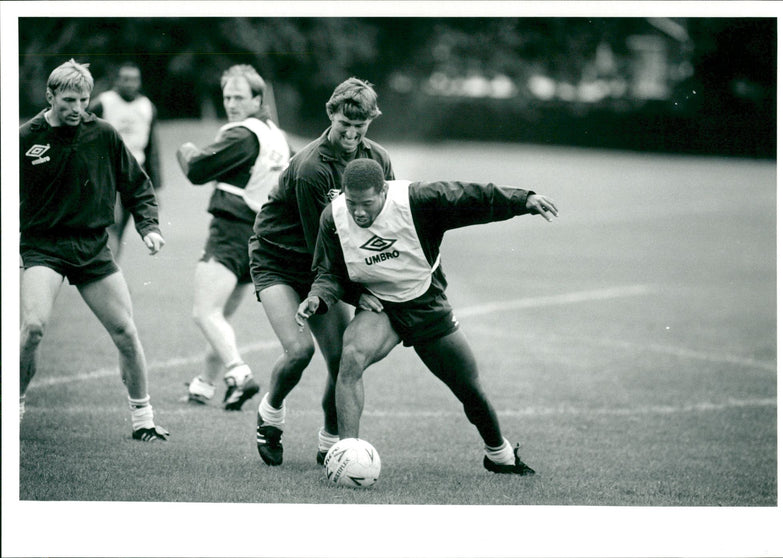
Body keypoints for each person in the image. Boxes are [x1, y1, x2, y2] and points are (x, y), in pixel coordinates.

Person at [296, 158, 560, 474]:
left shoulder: (417, 201)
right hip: (381, 308)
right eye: (352, 203)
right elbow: (329, 272)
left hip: (425, 303)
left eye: (366, 203)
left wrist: (523, 200)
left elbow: (470, 197)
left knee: (469, 388)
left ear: (383, 191)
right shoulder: (334, 216)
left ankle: (499, 454)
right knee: (349, 358)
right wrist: (318, 297)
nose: (358, 212)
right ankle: (346, 457)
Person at [19, 59, 168, 441]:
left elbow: (137, 185)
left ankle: (143, 420)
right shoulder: (25, 138)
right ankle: (15, 406)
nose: (77, 108)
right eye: (69, 100)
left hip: (92, 247)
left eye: (83, 100)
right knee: (33, 328)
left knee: (125, 331)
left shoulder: (102, 133)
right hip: (43, 246)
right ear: (49, 96)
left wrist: (148, 227)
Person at [250, 77, 395, 466]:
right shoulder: (310, 168)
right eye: (343, 124)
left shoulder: (378, 160)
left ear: (370, 121)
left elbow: (388, 219)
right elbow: (322, 245)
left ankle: (333, 442)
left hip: (327, 266)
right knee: (298, 351)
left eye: (359, 126)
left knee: (341, 359)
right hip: (280, 259)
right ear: (330, 114)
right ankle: (271, 414)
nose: (350, 133)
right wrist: (353, 291)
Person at [176, 64, 291, 411]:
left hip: (229, 232)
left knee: (205, 313)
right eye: (227, 96)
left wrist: (185, 150)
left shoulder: (242, 134)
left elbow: (197, 170)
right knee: (220, 316)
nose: (231, 103)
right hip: (257, 238)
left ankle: (239, 376)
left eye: (239, 97)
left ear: (258, 98)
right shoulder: (277, 136)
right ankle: (205, 384)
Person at [90, 61, 162, 257]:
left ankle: (111, 272)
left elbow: (152, 148)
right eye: (126, 79)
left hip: (134, 174)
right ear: (117, 81)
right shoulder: (103, 103)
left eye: (134, 80)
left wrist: (154, 185)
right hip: (108, 172)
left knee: (121, 228)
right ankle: (110, 273)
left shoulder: (147, 107)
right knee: (112, 223)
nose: (130, 84)